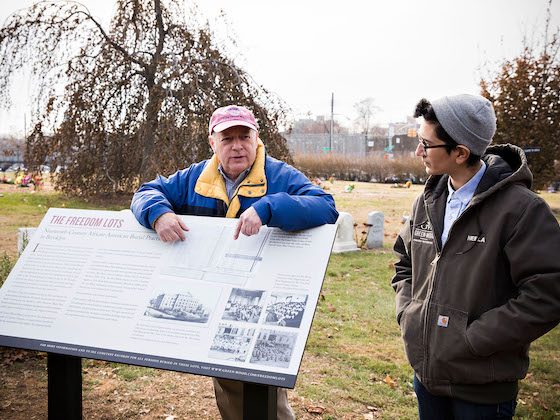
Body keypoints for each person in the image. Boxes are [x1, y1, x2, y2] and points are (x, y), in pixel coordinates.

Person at [131, 104, 339, 420]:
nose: (238, 145)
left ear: (257, 139)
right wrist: (158, 213)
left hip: (262, 301)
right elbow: (147, 192)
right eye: (228, 138)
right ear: (212, 143)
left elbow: (326, 207)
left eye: (245, 136)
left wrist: (269, 208)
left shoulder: (279, 176)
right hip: (211, 301)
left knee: (263, 386)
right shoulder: (193, 177)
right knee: (229, 385)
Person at [391, 94, 560, 419]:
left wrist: (474, 339)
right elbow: (404, 260)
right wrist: (409, 313)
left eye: (426, 144)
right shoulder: (429, 200)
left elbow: (549, 293)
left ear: (460, 152)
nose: (418, 151)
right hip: (427, 378)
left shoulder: (521, 210)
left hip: (481, 391)